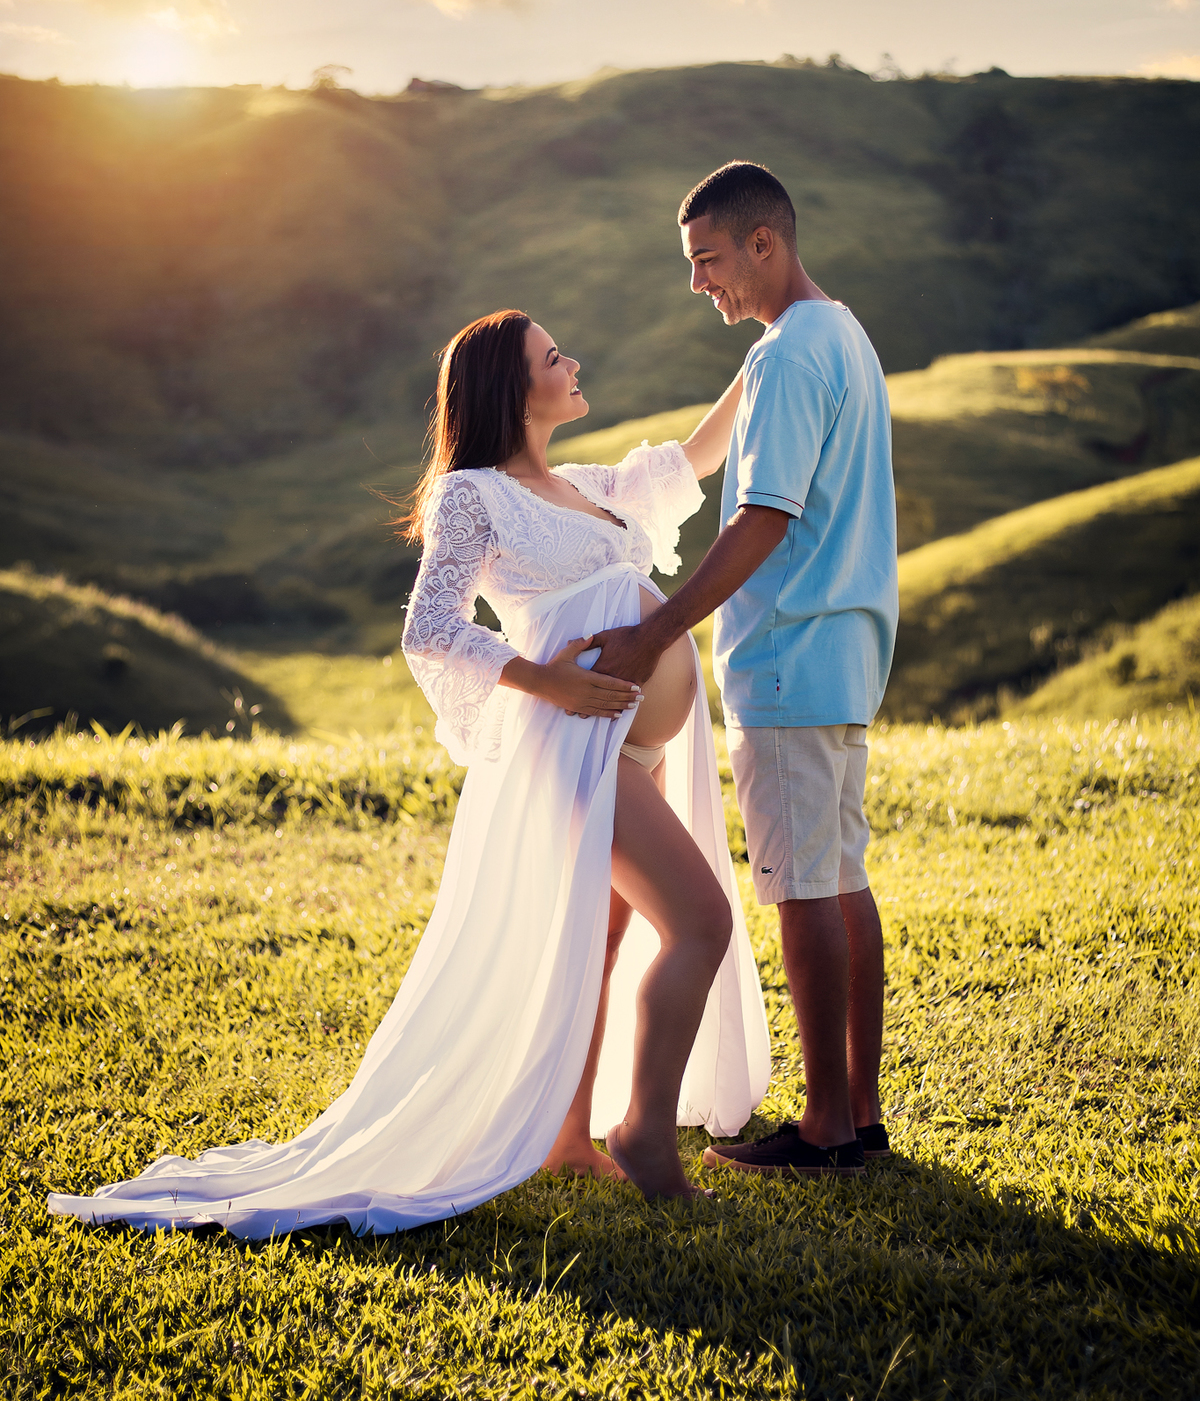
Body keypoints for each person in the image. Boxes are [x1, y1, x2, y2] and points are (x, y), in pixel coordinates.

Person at [48, 309, 769, 1238]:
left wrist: (768, 351)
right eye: (554, 358)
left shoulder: (590, 488)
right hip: (578, 744)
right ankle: (643, 1137)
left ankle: (565, 1137)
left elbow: (697, 456)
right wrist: (544, 679)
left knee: (601, 943)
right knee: (702, 920)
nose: (574, 361)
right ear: (516, 392)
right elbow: (430, 629)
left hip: (635, 744)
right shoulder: (474, 495)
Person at [593, 161, 899, 1180]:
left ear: (763, 242)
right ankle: (856, 1110)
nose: (698, 284)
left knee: (803, 891)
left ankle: (823, 1126)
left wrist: (656, 628)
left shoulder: (790, 357)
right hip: (844, 651)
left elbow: (766, 518)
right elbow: (717, 450)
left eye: (708, 259)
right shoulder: (838, 333)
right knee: (840, 880)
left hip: (787, 658)